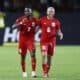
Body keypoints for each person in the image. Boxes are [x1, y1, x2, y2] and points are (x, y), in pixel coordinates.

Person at [12, 7, 38, 78]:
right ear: (24, 12)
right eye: (26, 11)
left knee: (33, 54)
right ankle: (24, 72)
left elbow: (39, 25)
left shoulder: (34, 20)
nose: (27, 12)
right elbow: (13, 27)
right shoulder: (21, 19)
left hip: (30, 39)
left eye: (28, 11)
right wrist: (21, 23)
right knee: (23, 57)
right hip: (22, 40)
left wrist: (36, 31)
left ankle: (33, 72)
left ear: (31, 12)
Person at [38, 7, 63, 77]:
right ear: (47, 12)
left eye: (52, 11)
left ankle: (46, 72)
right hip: (43, 41)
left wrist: (60, 34)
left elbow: (58, 31)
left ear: (54, 13)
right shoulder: (42, 20)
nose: (50, 13)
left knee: (49, 58)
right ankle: (44, 72)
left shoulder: (56, 22)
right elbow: (37, 28)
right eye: (49, 11)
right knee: (43, 55)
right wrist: (32, 34)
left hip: (52, 41)